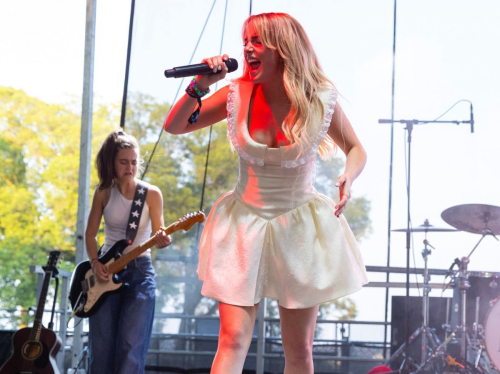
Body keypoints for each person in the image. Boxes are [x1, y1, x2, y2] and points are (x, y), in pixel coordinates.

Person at [164, 12, 368, 374]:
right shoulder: (235, 94)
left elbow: (356, 149)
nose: (247, 49)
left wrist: (348, 177)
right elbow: (176, 126)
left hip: (299, 227)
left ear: (283, 48)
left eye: (256, 41)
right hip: (242, 223)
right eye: (245, 42)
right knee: (231, 339)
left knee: (299, 351)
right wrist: (200, 84)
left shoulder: (320, 100)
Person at [85, 129, 171, 374]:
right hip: (106, 271)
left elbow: (160, 231)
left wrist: (164, 239)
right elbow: (90, 234)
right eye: (124, 162)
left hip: (139, 273)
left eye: (134, 162)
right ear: (112, 162)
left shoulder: (151, 194)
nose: (130, 167)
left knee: (130, 349)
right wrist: (94, 262)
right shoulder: (103, 192)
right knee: (100, 351)